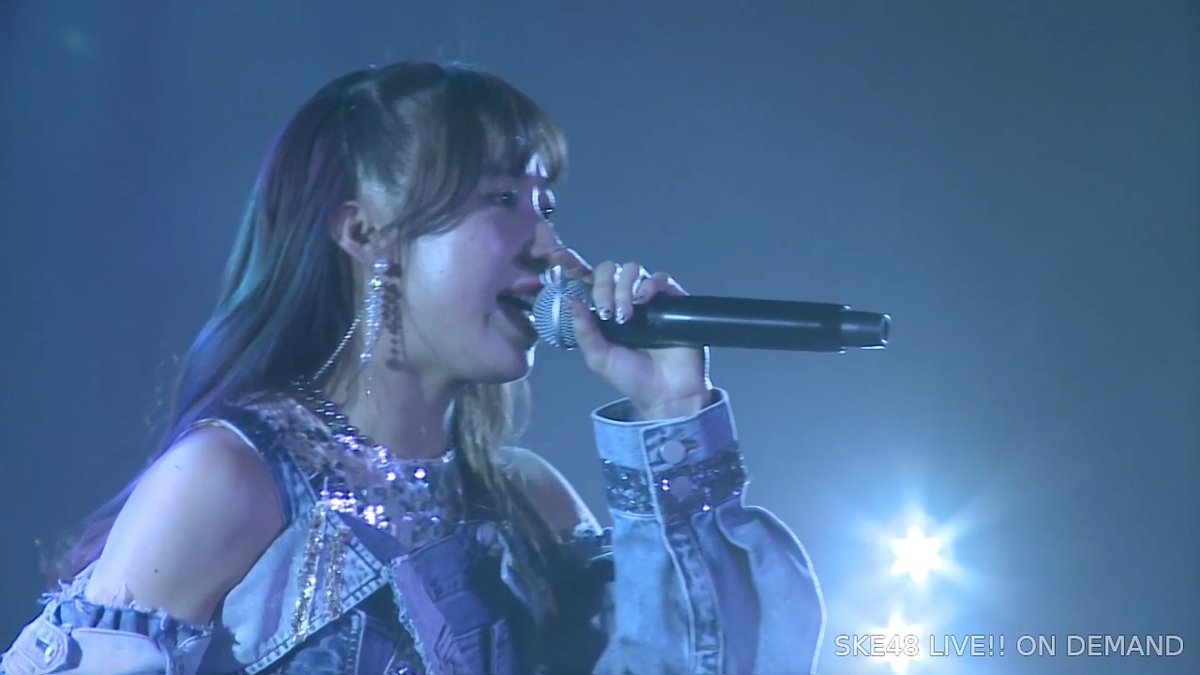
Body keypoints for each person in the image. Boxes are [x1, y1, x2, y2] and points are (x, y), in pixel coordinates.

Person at [1, 61, 824, 675]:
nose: (552, 248)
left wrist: (674, 412)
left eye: (547, 206)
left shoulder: (531, 503)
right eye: (501, 200)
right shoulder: (229, 481)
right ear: (366, 233)